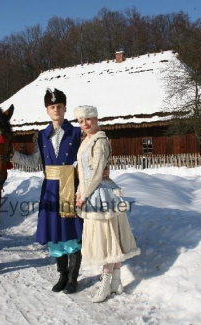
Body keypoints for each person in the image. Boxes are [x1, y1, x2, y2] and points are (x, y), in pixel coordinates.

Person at [11, 88, 83, 294]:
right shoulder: (41, 136)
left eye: (59, 106)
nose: (56, 110)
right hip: (50, 189)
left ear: (65, 108)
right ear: (47, 110)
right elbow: (34, 161)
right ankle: (62, 275)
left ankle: (72, 279)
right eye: (52, 107)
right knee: (54, 234)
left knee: (71, 233)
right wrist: (11, 154)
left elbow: (87, 158)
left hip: (70, 186)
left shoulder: (77, 132)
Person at [74, 105, 140, 303]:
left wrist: (84, 195)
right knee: (110, 238)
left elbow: (95, 173)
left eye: (88, 119)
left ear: (96, 118)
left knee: (108, 240)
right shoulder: (86, 140)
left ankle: (106, 283)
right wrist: (79, 192)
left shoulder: (100, 140)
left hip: (101, 194)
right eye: (80, 121)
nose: (85, 124)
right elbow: (83, 172)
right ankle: (116, 282)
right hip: (92, 192)